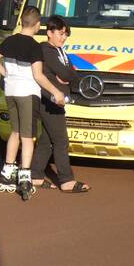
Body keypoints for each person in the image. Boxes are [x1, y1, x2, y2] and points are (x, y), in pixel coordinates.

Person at [0, 5, 67, 200]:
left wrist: (8, 74)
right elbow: (38, 76)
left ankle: (7, 173)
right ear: (38, 25)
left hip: (11, 92)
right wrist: (56, 92)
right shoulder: (34, 47)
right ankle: (24, 176)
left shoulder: (9, 40)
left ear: (22, 21)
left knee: (15, 131)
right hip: (27, 94)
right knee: (28, 136)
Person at [30, 15, 90, 193]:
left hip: (58, 101)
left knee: (46, 141)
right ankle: (66, 180)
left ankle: (36, 176)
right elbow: (65, 72)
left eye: (66, 34)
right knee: (61, 140)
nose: (63, 37)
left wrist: (67, 74)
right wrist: (65, 75)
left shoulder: (60, 51)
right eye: (60, 33)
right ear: (49, 32)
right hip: (50, 101)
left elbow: (70, 72)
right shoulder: (46, 49)